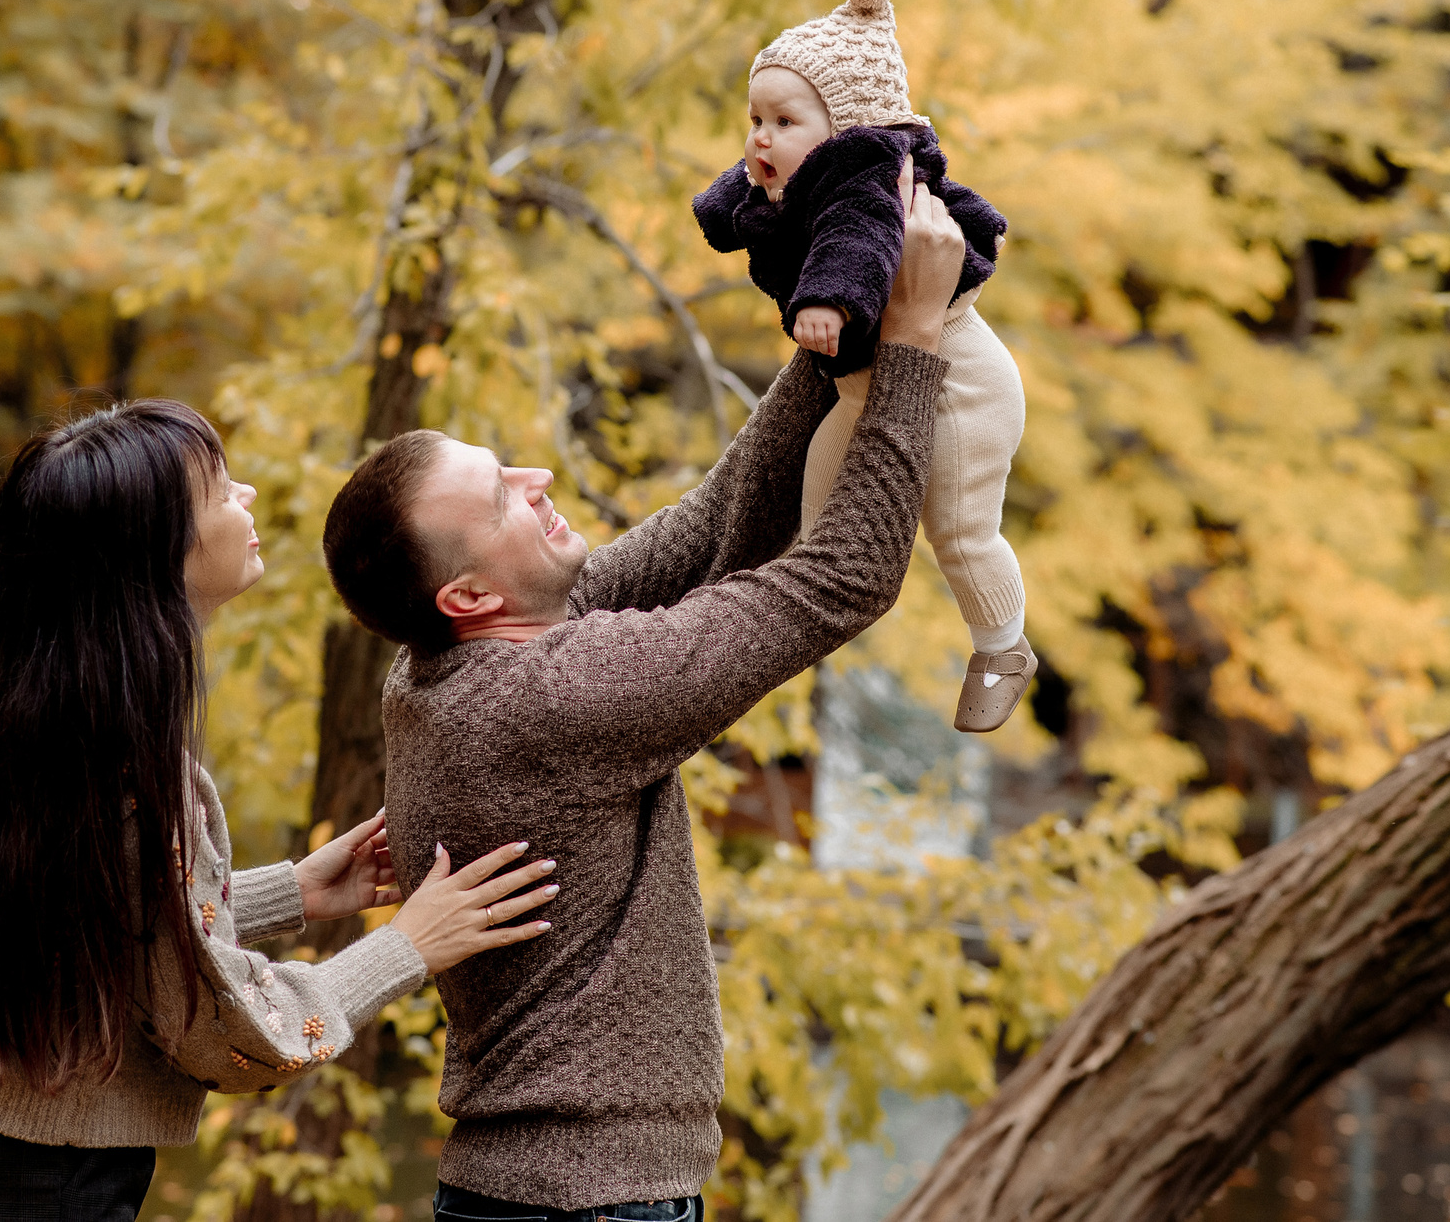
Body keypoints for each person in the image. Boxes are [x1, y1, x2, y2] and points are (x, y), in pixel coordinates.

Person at [322, 174, 972, 1222]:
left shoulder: (441, 663)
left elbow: (718, 528)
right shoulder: (552, 700)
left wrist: (835, 328)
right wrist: (911, 347)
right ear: (470, 594)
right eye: (501, 496)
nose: (535, 476)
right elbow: (840, 578)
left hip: (542, 1195)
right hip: (590, 1207)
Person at [0, 400, 557, 1222]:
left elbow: (90, 924)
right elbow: (227, 1033)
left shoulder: (12, 695)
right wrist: (406, 947)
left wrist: (295, 892)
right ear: (154, 553)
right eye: (218, 491)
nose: (244, 493)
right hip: (9, 1181)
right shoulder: (130, 767)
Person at [691, 0, 1034, 732]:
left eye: (783, 120)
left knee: (959, 528)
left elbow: (862, 240)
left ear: (844, 129)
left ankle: (1003, 645)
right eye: (755, 119)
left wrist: (829, 303)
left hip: (962, 389)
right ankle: (803, 606)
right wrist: (719, 207)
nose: (759, 139)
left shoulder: (865, 182)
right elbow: (733, 199)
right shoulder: (788, 172)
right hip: (868, 387)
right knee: (823, 497)